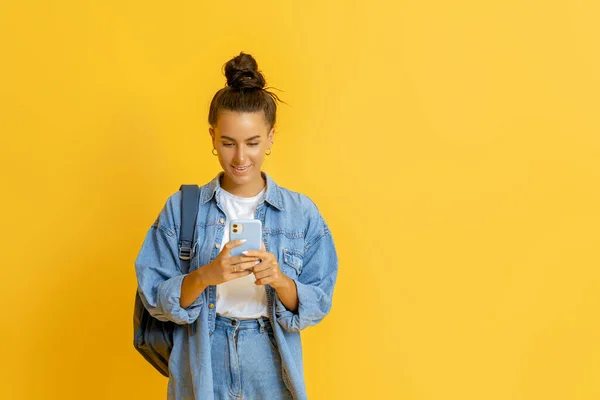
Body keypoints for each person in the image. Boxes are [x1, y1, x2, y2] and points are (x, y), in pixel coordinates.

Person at [134, 51, 339, 400]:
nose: (240, 158)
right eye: (228, 143)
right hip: (202, 351)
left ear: (271, 137)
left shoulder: (300, 213)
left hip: (270, 354)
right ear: (213, 137)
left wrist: (279, 279)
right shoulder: (182, 209)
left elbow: (316, 302)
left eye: (253, 143)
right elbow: (154, 296)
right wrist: (205, 275)